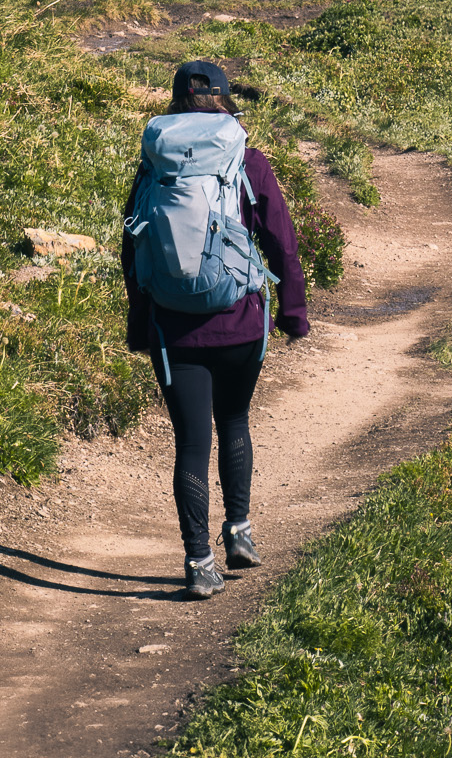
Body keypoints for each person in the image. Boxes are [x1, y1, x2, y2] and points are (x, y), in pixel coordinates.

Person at [121, 58, 310, 599]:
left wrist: (141, 319)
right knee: (234, 419)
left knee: (189, 444)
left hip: (173, 331)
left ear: (176, 103)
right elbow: (281, 240)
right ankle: (240, 534)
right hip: (242, 322)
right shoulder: (248, 160)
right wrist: (293, 312)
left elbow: (132, 244)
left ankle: (199, 563)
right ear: (224, 101)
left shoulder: (155, 163)